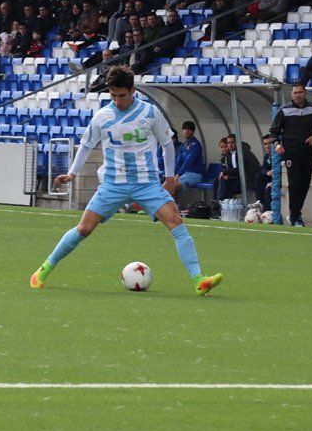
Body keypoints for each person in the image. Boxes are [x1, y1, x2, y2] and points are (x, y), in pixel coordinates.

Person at [29, 65, 223, 296]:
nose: (117, 100)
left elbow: (167, 145)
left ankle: (198, 279)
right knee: (84, 229)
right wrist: (72, 173)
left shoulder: (150, 113)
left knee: (176, 222)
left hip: (147, 183)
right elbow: (86, 146)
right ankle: (44, 269)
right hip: (113, 183)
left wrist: (169, 178)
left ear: (132, 91)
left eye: (122, 95)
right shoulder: (102, 116)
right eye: (113, 95)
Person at [269, 83, 312, 227]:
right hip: (291, 152)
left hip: (308, 152)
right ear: (291, 94)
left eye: (300, 92)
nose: (298, 95)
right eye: (295, 93)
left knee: (305, 184)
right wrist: (277, 144)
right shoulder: (284, 110)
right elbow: (273, 131)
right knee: (294, 184)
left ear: (305, 93)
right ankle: (295, 216)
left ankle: (295, 213)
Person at [173, 120, 205, 192]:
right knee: (167, 185)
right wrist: (173, 174)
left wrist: (178, 175)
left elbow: (188, 161)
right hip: (184, 174)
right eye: (184, 129)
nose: (186, 131)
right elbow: (178, 161)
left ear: (193, 131)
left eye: (189, 129)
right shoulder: (182, 145)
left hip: (195, 174)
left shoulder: (196, 144)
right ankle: (173, 203)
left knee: (172, 186)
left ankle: (173, 203)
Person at [217, 134, 241, 200]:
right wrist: (224, 173)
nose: (223, 149)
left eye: (225, 146)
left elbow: (236, 169)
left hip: (237, 179)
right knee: (217, 181)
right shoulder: (223, 157)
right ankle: (217, 201)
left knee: (224, 182)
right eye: (221, 147)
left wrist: (225, 173)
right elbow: (223, 168)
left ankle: (221, 201)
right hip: (230, 177)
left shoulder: (233, 154)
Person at [256, 135, 274, 206]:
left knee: (268, 188)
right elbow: (263, 168)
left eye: (270, 143)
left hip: (278, 179)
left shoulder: (279, 154)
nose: (267, 146)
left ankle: (266, 208)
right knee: (258, 177)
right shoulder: (267, 155)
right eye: (265, 144)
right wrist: (267, 172)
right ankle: (260, 202)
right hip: (270, 177)